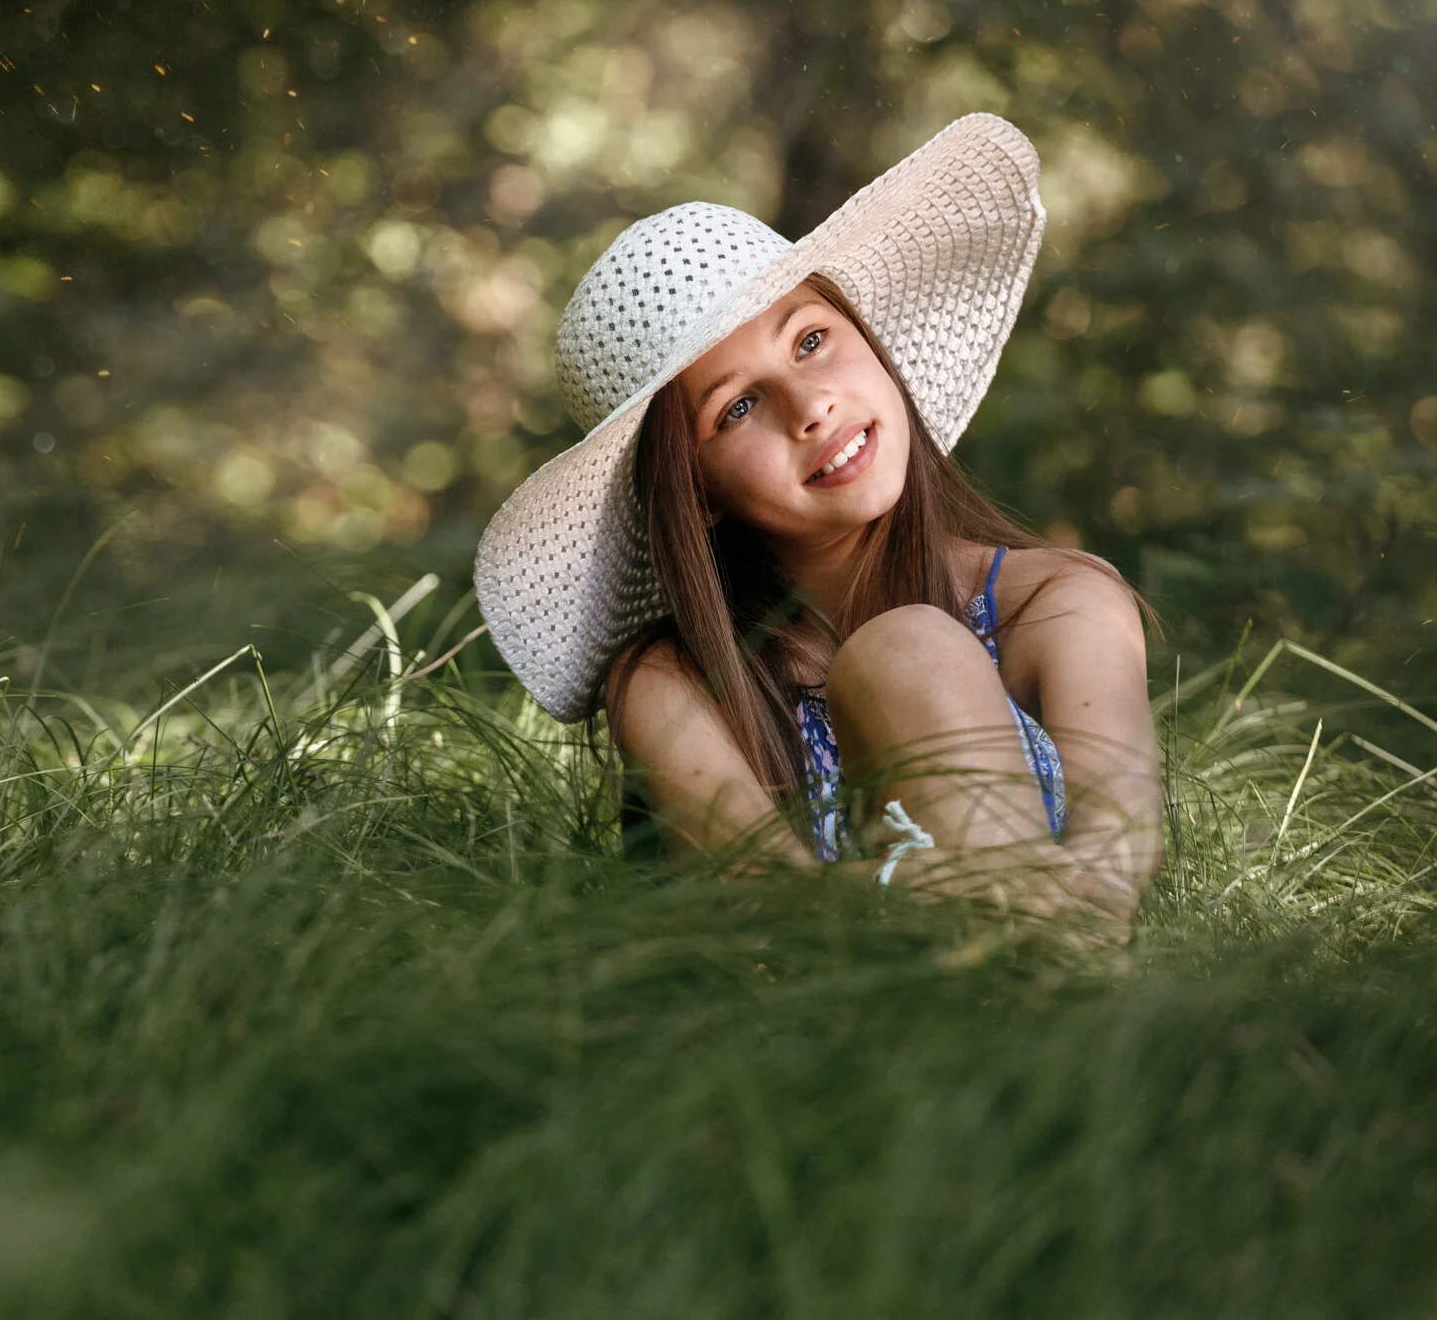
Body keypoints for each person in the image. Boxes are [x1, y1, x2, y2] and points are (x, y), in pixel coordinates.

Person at [472, 114, 1162, 929]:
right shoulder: (676, 681)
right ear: (697, 494)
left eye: (809, 341)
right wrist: (965, 884)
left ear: (871, 343)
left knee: (911, 649)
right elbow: (765, 898)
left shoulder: (1060, 602)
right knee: (907, 650)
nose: (810, 407)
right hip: (845, 1029)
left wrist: (964, 887)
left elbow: (1116, 850)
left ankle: (1042, 997)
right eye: (737, 408)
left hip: (1080, 987)